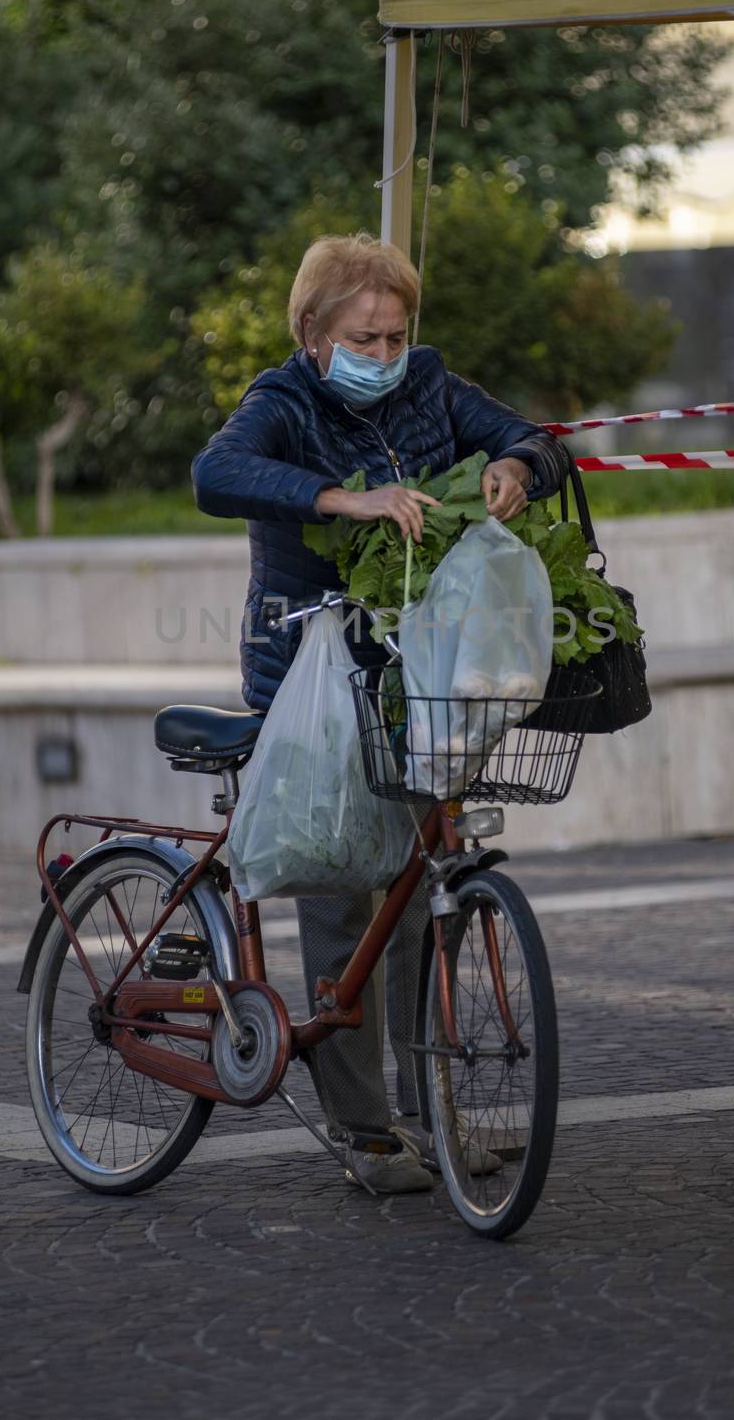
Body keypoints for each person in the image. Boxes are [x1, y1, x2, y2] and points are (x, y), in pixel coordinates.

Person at [192, 232, 567, 1193]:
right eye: (366, 337)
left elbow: (534, 435)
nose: (386, 355)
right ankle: (362, 1132)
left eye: (396, 336)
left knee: (413, 898)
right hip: (311, 670)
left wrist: (518, 467)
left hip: (412, 663)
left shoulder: (431, 384)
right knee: (344, 889)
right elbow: (215, 475)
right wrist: (338, 501)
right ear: (313, 333)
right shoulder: (279, 400)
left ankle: (426, 1113)